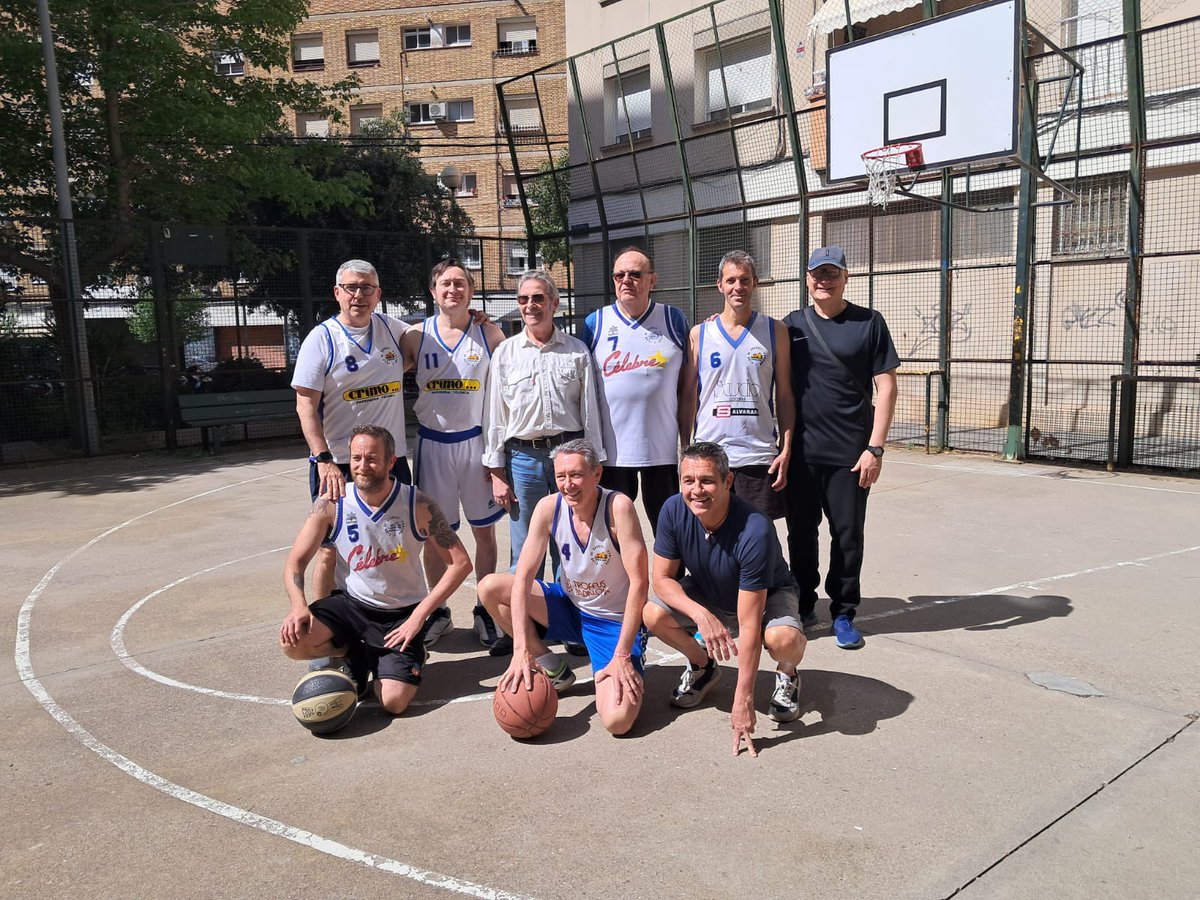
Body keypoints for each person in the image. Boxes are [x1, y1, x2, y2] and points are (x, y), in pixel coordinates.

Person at [279, 424, 472, 715]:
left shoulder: (417, 503)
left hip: (401, 613)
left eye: (372, 458)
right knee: (293, 642)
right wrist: (298, 606)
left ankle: (410, 653)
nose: (362, 466)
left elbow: (461, 563)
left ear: (390, 461)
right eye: (356, 458)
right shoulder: (331, 504)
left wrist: (419, 617)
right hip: (351, 606)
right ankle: (356, 652)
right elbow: (295, 562)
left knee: (393, 702)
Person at [644, 441, 807, 758]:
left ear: (727, 481)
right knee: (653, 614)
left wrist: (743, 699)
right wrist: (701, 616)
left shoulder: (755, 529)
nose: (696, 490)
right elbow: (661, 579)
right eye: (688, 481)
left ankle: (788, 674)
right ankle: (703, 667)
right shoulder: (673, 510)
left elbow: (749, 625)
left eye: (706, 480)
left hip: (767, 595)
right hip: (708, 589)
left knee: (782, 639)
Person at [478, 439, 647, 735]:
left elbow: (640, 584)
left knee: (617, 721)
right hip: (570, 607)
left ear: (597, 473)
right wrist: (520, 650)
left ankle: (629, 657)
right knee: (490, 587)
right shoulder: (549, 507)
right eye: (561, 476)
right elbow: (523, 580)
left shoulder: (618, 507)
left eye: (576, 475)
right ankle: (553, 668)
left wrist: (621, 655)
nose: (568, 484)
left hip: (612, 623)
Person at [482, 269, 605, 655]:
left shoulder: (576, 352)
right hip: (522, 459)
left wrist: (592, 464)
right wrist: (496, 471)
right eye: (524, 299)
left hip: (568, 456)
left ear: (554, 303)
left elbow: (591, 412)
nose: (530, 306)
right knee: (525, 549)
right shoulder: (505, 354)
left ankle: (573, 627)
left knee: (570, 547)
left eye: (538, 298)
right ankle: (521, 629)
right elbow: (495, 416)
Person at [783, 246, 899, 650]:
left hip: (851, 455)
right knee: (800, 535)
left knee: (848, 536)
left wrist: (875, 449)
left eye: (832, 273)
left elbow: (887, 388)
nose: (823, 280)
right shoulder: (792, 325)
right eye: (817, 273)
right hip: (802, 454)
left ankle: (844, 612)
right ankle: (803, 603)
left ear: (846, 277)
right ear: (807, 278)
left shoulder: (869, 322)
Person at [401, 259, 507, 649]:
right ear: (433, 291)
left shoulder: (490, 333)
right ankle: (439, 611)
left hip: (476, 443)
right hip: (433, 444)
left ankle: (485, 608)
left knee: (484, 531)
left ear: (471, 291)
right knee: (435, 535)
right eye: (445, 283)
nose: (453, 290)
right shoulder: (415, 335)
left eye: (460, 283)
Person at [292, 260, 411, 602]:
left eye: (366, 288)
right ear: (337, 293)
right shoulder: (322, 338)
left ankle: (389, 611)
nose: (359, 295)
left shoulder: (392, 329)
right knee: (329, 548)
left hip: (390, 461)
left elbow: (438, 334)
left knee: (393, 543)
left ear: (378, 294)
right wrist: (323, 460)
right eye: (351, 287)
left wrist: (473, 318)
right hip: (340, 463)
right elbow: (305, 406)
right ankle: (324, 621)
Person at [578, 247, 689, 534]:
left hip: (662, 452)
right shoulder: (595, 323)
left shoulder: (673, 320)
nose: (626, 280)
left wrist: (686, 442)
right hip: (612, 454)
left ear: (652, 280)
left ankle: (668, 568)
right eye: (619, 275)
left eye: (635, 274)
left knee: (669, 531)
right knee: (613, 532)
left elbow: (688, 384)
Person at [682, 250, 794, 520]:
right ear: (720, 285)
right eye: (731, 280)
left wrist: (786, 448)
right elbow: (688, 396)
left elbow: (785, 395)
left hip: (757, 455)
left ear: (755, 283)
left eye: (744, 280)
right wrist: (685, 450)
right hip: (710, 454)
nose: (738, 287)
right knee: (710, 535)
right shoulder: (700, 334)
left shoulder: (775, 330)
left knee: (756, 535)